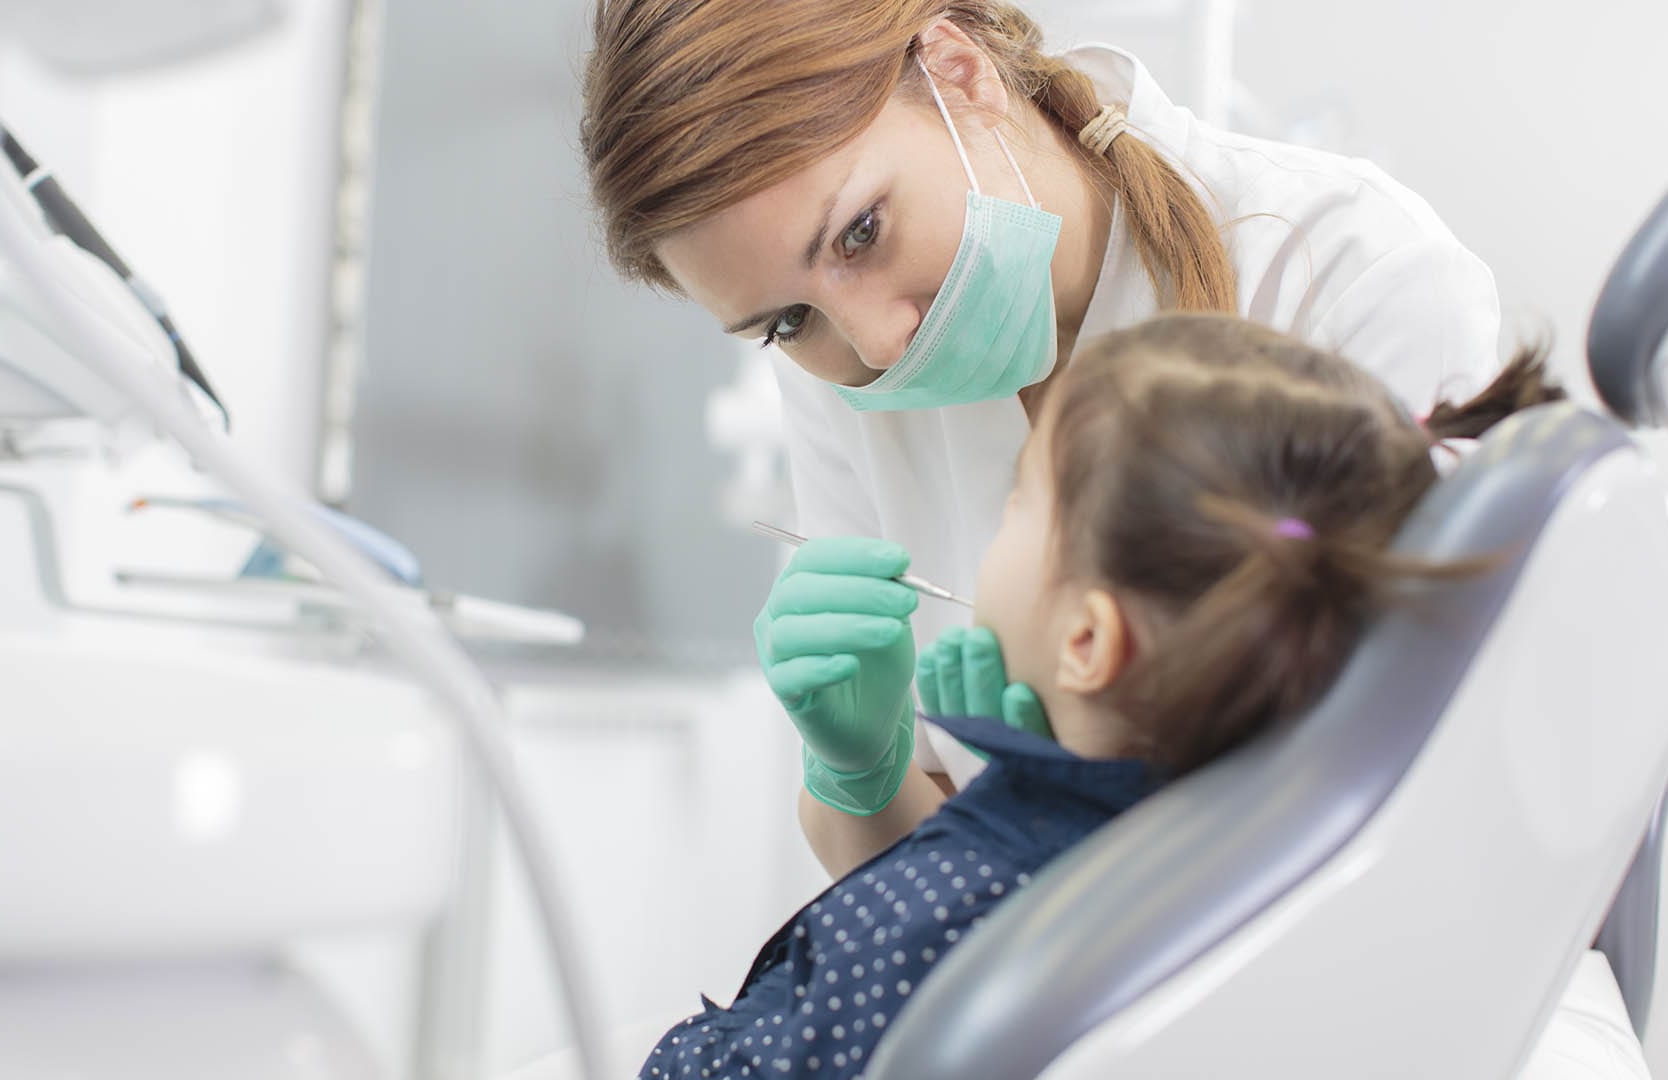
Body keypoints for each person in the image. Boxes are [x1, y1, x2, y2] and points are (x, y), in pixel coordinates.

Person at [580, 0, 1505, 875]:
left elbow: (1400, 807)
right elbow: (917, 890)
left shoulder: (1348, 273)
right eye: (788, 322)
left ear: (961, 71)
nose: (877, 345)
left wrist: (1074, 829)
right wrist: (861, 775)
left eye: (862, 233)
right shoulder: (836, 373)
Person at [641, 314, 1558, 1079]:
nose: (998, 521)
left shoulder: (940, 917)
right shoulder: (1205, 867)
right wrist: (1016, 795)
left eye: (1019, 497)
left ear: (1086, 641)